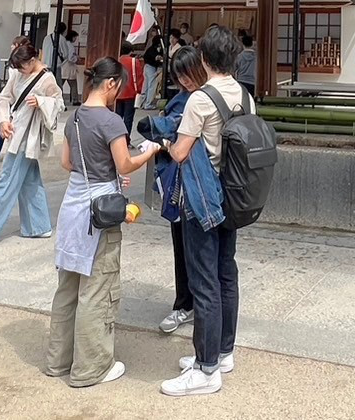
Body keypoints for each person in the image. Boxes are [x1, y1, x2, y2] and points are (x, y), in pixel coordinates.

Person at [46, 57, 161, 387]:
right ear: (110, 84)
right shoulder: (111, 122)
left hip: (73, 206)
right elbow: (124, 165)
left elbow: (67, 162)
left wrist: (99, 173)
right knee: (97, 291)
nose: (118, 93)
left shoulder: (75, 118)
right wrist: (149, 151)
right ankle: (90, 367)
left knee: (67, 289)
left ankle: (58, 360)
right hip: (99, 213)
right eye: (119, 87)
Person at [159, 24, 250, 397]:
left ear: (205, 58)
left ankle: (206, 368)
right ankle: (222, 351)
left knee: (204, 281)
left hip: (202, 198)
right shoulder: (244, 94)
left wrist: (162, 140)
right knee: (226, 274)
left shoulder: (200, 99)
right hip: (233, 196)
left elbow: (180, 152)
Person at [0, 39, 63, 249]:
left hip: (28, 136)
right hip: (16, 130)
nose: (21, 71)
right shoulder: (17, 74)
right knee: (29, 181)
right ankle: (38, 226)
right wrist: (3, 120)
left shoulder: (47, 79)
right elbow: (4, 98)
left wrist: (42, 102)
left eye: (23, 66)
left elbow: (58, 103)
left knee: (5, 182)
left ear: (33, 60)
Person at [136, 46, 208, 338]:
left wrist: (164, 141)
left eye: (187, 73)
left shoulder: (201, 99)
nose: (185, 80)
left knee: (197, 251)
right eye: (179, 75)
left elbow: (169, 133)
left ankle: (194, 305)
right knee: (183, 246)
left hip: (196, 182)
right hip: (179, 183)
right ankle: (186, 303)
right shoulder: (183, 97)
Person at [117, 43, 144, 142]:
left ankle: (116, 139)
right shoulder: (134, 62)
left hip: (117, 93)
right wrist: (139, 91)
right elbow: (139, 77)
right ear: (131, 51)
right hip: (131, 93)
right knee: (128, 119)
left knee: (117, 117)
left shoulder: (116, 60)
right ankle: (126, 140)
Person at [142, 32, 165, 110]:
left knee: (145, 86)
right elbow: (158, 59)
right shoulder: (155, 50)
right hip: (151, 68)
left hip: (146, 67)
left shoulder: (151, 49)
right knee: (152, 86)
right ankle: (148, 104)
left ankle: (142, 103)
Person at [233, 32, 257, 101]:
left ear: (242, 44)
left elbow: (233, 69)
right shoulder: (256, 57)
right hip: (253, 82)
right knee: (252, 100)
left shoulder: (239, 56)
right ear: (252, 43)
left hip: (241, 81)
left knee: (242, 100)